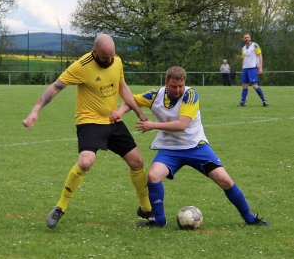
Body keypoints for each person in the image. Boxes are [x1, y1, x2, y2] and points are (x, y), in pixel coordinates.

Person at [112, 66, 271, 228]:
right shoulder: (155, 95)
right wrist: (120, 113)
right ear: (166, 83)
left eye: (181, 85)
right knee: (153, 176)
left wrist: (152, 125)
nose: (178, 90)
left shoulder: (190, 95)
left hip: (196, 147)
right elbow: (130, 100)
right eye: (174, 86)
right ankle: (159, 221)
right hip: (169, 150)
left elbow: (182, 124)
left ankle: (250, 218)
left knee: (225, 180)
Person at [23, 34, 153, 229]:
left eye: (112, 55)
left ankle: (146, 208)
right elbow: (55, 87)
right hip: (89, 121)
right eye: (105, 57)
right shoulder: (81, 66)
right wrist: (35, 111)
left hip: (112, 120)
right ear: (95, 52)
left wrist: (139, 114)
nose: (109, 60)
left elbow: (122, 87)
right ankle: (60, 206)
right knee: (85, 162)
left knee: (137, 162)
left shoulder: (117, 61)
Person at [238, 33, 268, 107]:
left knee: (254, 85)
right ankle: (243, 102)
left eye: (248, 37)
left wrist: (260, 67)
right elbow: (243, 59)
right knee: (244, 85)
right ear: (243, 39)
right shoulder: (243, 48)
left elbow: (260, 56)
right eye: (245, 37)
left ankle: (264, 100)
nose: (246, 39)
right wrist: (243, 67)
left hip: (252, 68)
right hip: (245, 69)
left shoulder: (255, 45)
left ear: (250, 38)